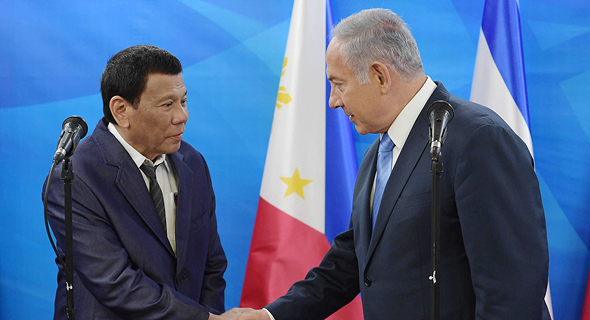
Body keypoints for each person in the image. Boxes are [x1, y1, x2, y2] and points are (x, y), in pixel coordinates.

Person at [236, 8, 550, 320]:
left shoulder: (479, 139)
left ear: (380, 76)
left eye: (339, 84)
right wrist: (270, 316)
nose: (333, 100)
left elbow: (511, 290)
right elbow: (355, 259)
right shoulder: (378, 152)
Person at [43, 45, 248, 320]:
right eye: (167, 105)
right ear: (121, 110)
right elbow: (114, 282)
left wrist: (209, 315)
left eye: (183, 101)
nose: (182, 116)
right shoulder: (75, 176)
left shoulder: (192, 162)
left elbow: (212, 265)